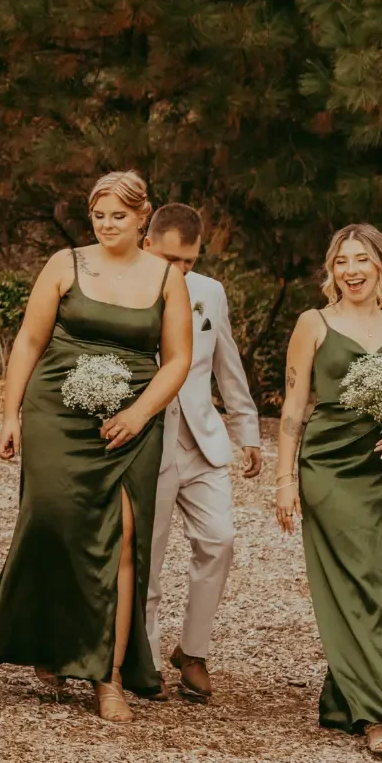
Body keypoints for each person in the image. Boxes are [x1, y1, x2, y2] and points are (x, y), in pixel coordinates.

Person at [0, 170, 192, 723]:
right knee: (52, 523)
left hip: (130, 424)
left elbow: (179, 359)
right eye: (99, 215)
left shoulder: (166, 277)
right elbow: (28, 340)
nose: (108, 224)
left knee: (122, 538)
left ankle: (109, 674)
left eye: (120, 215)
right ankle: (50, 643)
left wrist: (139, 413)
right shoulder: (65, 264)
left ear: (144, 216)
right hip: (57, 413)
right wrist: (10, 414)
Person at [273, 223, 382, 755]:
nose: (352, 270)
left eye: (362, 260)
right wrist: (285, 480)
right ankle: (378, 716)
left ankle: (350, 697)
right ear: (331, 271)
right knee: (358, 580)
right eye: (342, 262)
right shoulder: (314, 323)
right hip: (327, 468)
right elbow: (292, 410)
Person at [139, 204, 263, 702]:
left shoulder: (210, 293)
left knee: (220, 541)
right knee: (147, 554)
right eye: (171, 259)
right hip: (149, 441)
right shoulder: (122, 289)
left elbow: (227, 363)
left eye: (189, 261)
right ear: (147, 245)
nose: (181, 270)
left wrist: (247, 430)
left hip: (203, 440)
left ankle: (193, 650)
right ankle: (143, 659)